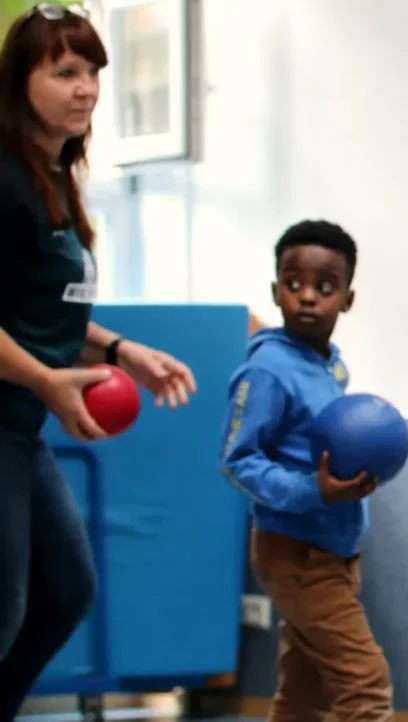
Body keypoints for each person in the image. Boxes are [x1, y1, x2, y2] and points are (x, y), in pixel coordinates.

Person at [0, 6, 195, 718]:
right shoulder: (5, 181)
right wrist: (46, 380)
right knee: (4, 606)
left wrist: (120, 351)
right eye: (64, 72)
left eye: (92, 73)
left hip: (23, 426)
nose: (85, 88)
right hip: (7, 418)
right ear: (20, 83)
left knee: (65, 591)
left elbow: (46, 310)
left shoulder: (56, 178)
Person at [221, 220, 393, 722]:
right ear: (276, 291)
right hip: (295, 553)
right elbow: (238, 460)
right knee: (365, 683)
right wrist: (310, 490)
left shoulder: (331, 366)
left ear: (347, 299)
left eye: (325, 286)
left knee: (305, 690)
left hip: (335, 549)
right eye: (294, 284)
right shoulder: (267, 370)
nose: (309, 297)